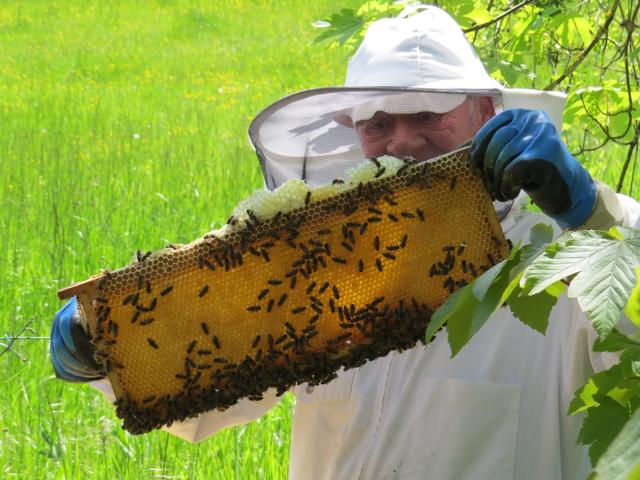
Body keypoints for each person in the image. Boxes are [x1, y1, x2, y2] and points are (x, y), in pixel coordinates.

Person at [50, 6, 640, 479]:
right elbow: (208, 389)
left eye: (429, 115)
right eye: (378, 123)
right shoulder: (320, 258)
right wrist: (102, 349)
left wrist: (590, 213)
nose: (403, 142)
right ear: (354, 133)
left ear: (484, 111)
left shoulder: (559, 251)